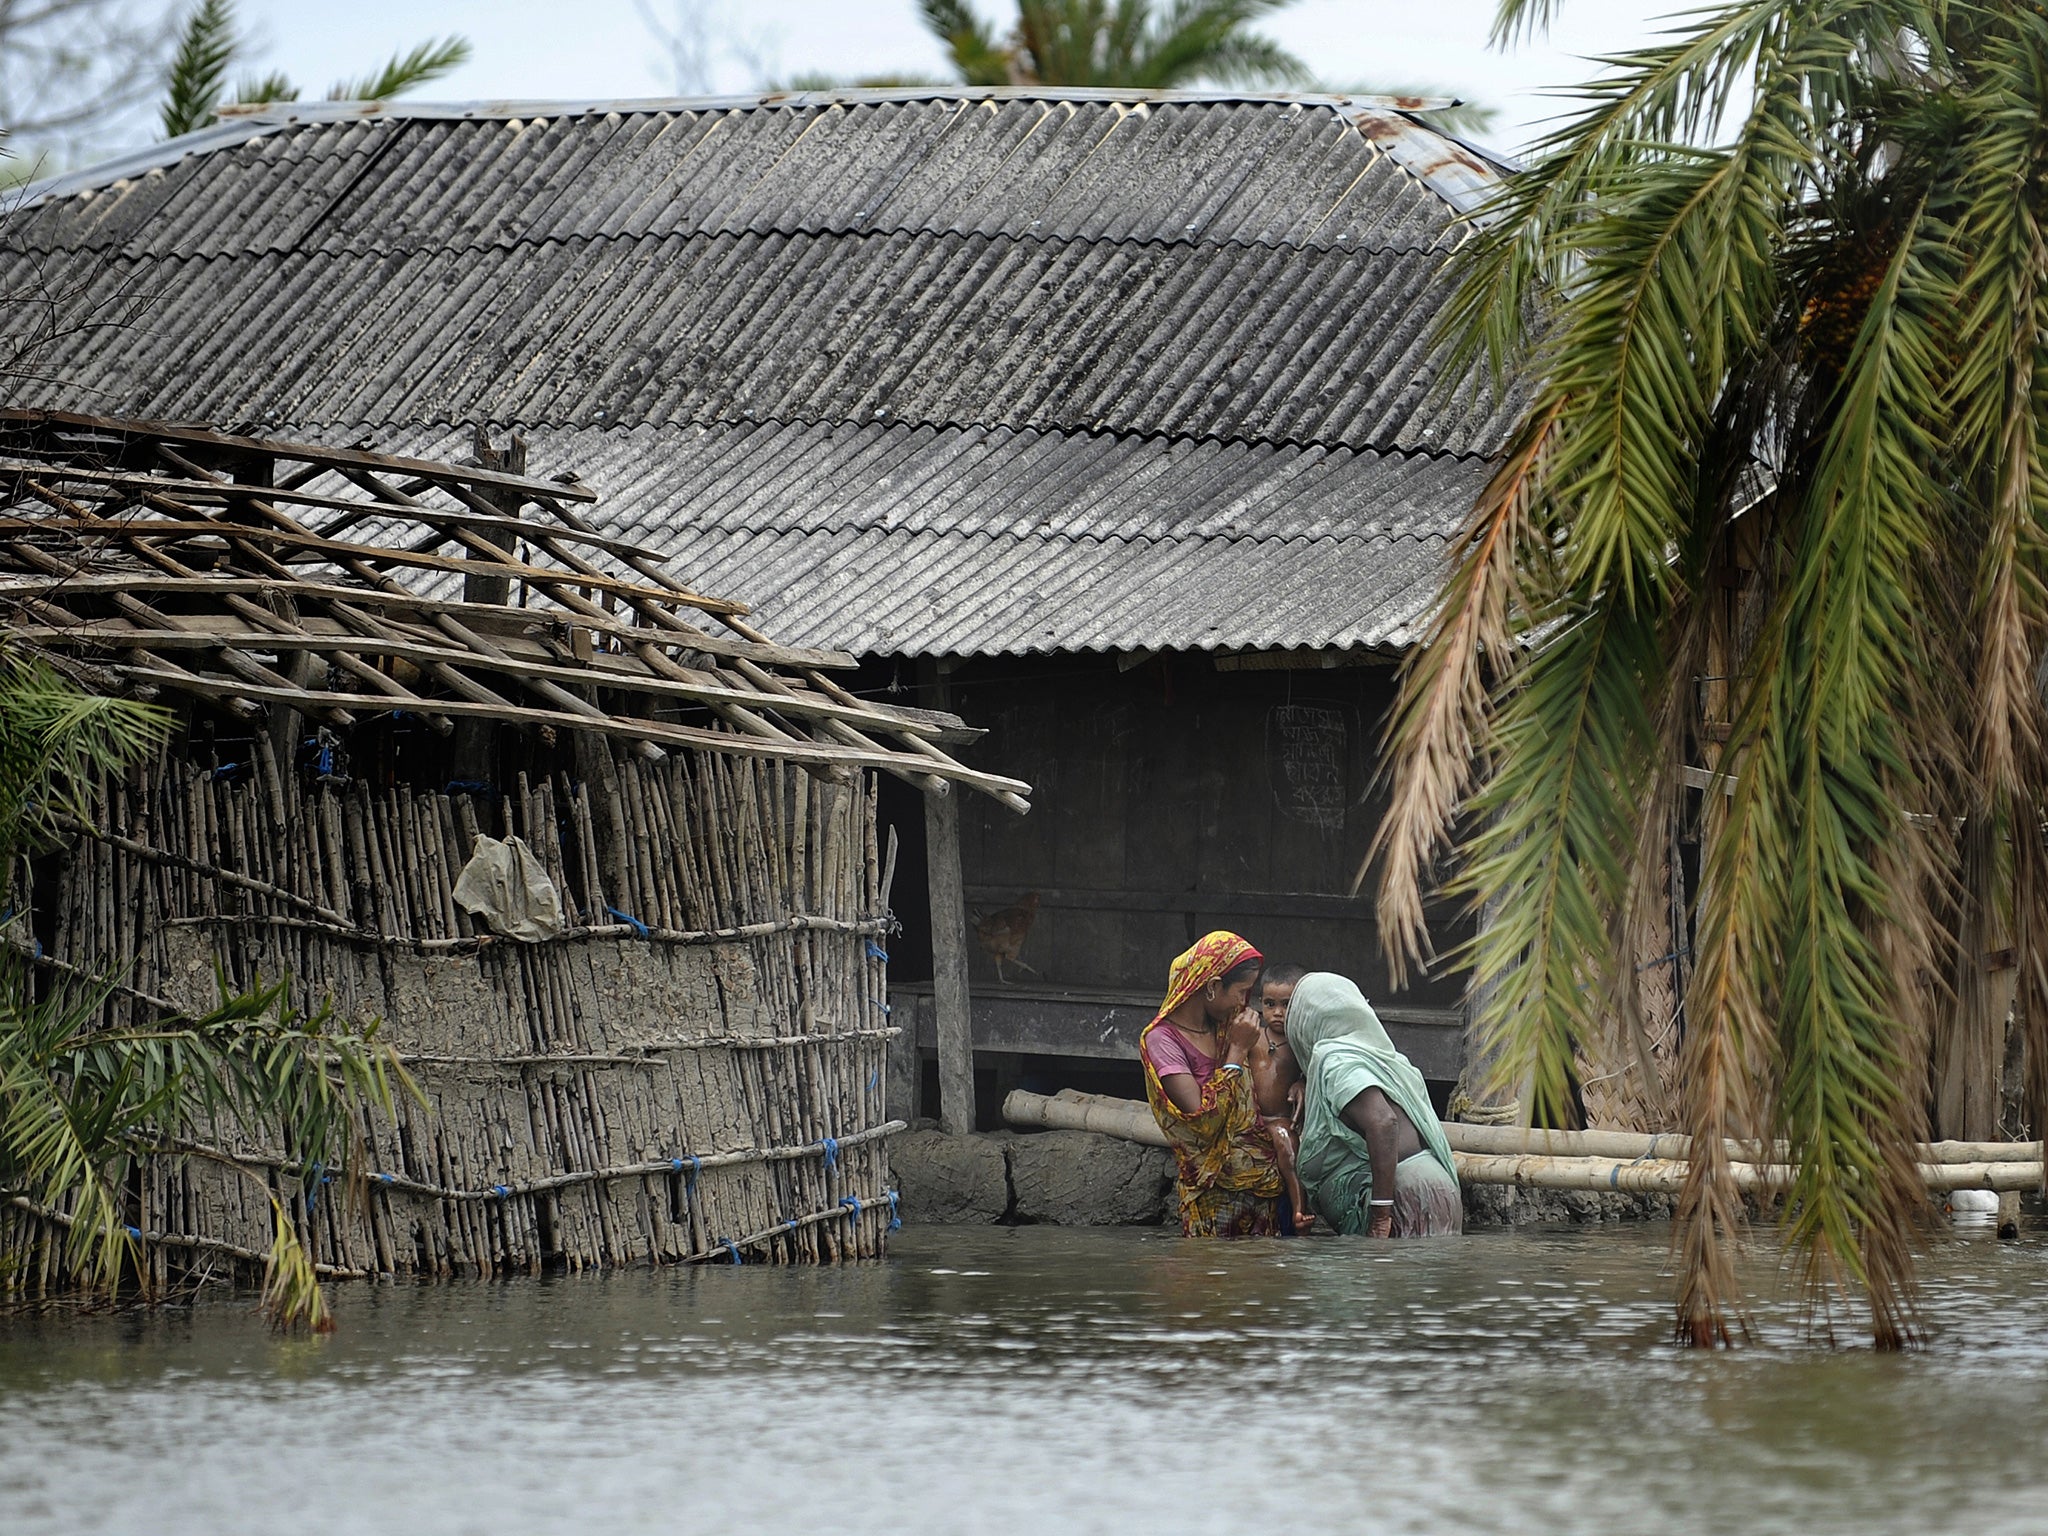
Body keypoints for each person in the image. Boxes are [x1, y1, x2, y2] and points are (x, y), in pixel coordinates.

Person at [1285, 972, 1462, 1237]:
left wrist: (1380, 1215)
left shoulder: (1337, 1062)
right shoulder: (1383, 1057)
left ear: (1306, 1020)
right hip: (1436, 1190)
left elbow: (1383, 1122)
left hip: (1404, 1202)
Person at [1139, 931, 1284, 1237]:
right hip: (1212, 1195)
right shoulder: (1162, 1040)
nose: (1245, 1002)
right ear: (1213, 987)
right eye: (1242, 991)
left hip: (1262, 1187)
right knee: (1209, 1277)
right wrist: (1236, 1052)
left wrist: (1301, 1083)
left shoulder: (1228, 1026)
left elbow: (1272, 1076)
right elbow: (1204, 1121)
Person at [1249, 964, 1314, 1233]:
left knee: (1288, 1151)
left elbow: (1317, 1072)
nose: (1277, 1012)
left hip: (1281, 1120)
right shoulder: (1252, 1036)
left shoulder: (1302, 1041)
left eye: (1287, 1004)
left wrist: (1303, 1082)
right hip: (1251, 1117)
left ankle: (1300, 1210)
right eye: (1270, 1004)